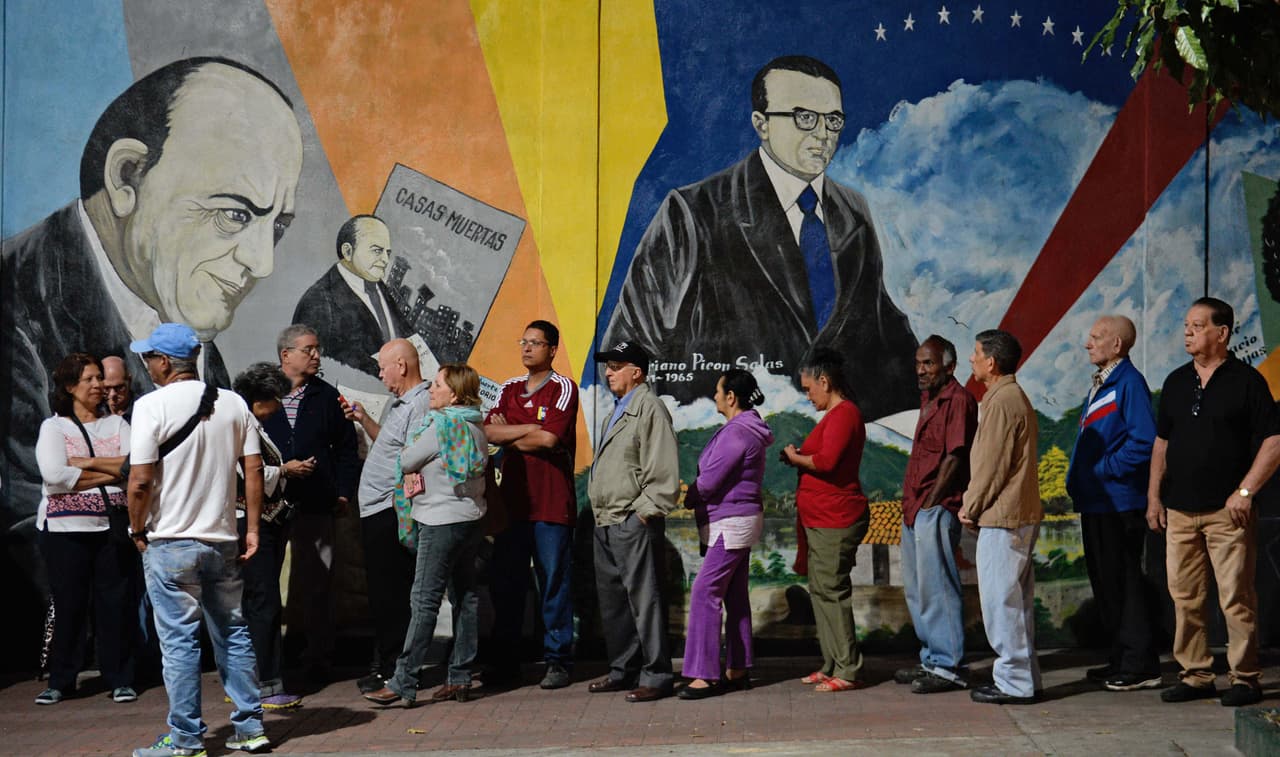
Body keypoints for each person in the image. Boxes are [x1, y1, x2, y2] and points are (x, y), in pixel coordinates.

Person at [2, 56, 303, 534]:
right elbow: (24, 524)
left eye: (278, 224)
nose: (262, 262)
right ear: (126, 178)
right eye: (235, 214)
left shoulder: (177, 316)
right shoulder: (17, 302)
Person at [602, 54, 917, 417]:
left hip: (832, 452)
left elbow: (884, 337)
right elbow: (626, 350)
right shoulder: (694, 211)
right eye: (804, 118)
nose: (822, 134)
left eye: (833, 120)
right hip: (720, 446)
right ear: (761, 124)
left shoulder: (852, 211)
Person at [125, 323, 268, 757]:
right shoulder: (233, 403)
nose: (147, 363)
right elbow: (255, 468)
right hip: (222, 538)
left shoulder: (150, 406)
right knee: (234, 632)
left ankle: (187, 740)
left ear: (165, 362)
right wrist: (254, 527)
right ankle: (250, 728)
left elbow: (140, 481)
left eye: (149, 357)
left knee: (179, 643)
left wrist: (136, 528)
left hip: (169, 541)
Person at [1148, 297, 1280, 708]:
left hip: (1228, 513)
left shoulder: (1247, 381)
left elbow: (1274, 441)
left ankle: (1244, 677)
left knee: (1235, 597)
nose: (1187, 331)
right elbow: (1161, 444)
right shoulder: (1174, 382)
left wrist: (1245, 492)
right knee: (1185, 598)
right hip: (1180, 511)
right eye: (1186, 325)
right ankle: (1195, 675)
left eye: (1197, 325)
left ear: (1222, 333)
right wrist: (1154, 496)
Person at [363, 363, 489, 707]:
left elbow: (405, 460)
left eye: (437, 385)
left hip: (439, 522)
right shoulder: (474, 425)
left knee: (423, 601)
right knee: (465, 597)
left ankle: (404, 681)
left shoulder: (440, 426)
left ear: (454, 393)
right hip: (471, 519)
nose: (431, 390)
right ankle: (460, 676)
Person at [33, 353, 137, 706]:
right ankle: (61, 679)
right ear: (69, 387)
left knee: (115, 604)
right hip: (65, 532)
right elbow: (54, 475)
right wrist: (113, 473)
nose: (99, 387)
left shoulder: (118, 426)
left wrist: (88, 464)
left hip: (111, 527)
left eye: (100, 380)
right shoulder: (54, 427)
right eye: (90, 380)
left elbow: (135, 468)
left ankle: (120, 677)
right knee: (70, 604)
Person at [1065, 315, 1161, 692]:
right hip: (1097, 502)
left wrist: (1103, 470)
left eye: (1096, 338)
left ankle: (1141, 665)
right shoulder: (1104, 384)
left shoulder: (1130, 384)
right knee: (1106, 582)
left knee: (1124, 581)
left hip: (1119, 503)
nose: (1088, 344)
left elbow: (1144, 441)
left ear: (1117, 345)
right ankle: (1122, 658)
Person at [484, 320, 579, 690]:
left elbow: (551, 439)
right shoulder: (508, 388)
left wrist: (513, 433)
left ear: (552, 350)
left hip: (551, 507)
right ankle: (506, 662)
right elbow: (488, 431)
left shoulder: (562, 388)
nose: (526, 348)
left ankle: (558, 660)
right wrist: (528, 432)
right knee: (506, 585)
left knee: (554, 582)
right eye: (523, 341)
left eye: (535, 343)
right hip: (511, 506)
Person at [261, 324, 359, 681]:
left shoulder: (327, 397)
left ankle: (318, 657)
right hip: (269, 507)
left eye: (318, 349)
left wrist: (344, 491)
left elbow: (347, 449)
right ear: (286, 355)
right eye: (309, 349)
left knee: (318, 582)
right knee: (266, 583)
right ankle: (268, 660)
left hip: (317, 503)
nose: (317, 355)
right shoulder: (259, 396)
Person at [586, 341, 680, 702]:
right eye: (607, 366)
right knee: (614, 604)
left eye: (616, 366)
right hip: (607, 520)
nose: (608, 372)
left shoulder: (649, 408)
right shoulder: (619, 409)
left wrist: (641, 514)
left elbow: (663, 471)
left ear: (636, 372)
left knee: (645, 600)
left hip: (630, 520)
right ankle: (622, 670)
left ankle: (656, 676)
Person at [679, 369, 774, 700]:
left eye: (717, 391)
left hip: (730, 523)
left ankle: (704, 674)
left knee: (705, 592)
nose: (714, 396)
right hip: (741, 521)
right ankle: (737, 667)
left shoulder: (737, 433)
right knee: (734, 595)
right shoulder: (749, 428)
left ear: (731, 397)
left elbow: (709, 482)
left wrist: (686, 494)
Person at [960, 329, 1043, 705]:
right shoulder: (1010, 397)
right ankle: (1024, 680)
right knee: (1015, 602)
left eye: (976, 354)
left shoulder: (1001, 401)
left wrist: (970, 506)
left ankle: (1013, 682)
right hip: (1015, 514)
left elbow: (992, 467)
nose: (972, 360)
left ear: (991, 362)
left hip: (1002, 516)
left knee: (1001, 603)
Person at [781, 349, 869, 693]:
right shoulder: (832, 416)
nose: (807, 395)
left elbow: (828, 462)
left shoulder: (845, 414)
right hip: (820, 518)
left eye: (809, 388)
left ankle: (848, 668)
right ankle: (831, 662)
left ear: (824, 381)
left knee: (832, 591)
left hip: (837, 517)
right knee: (820, 591)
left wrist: (795, 457)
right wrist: (798, 459)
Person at [895, 335, 978, 694]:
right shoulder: (929, 399)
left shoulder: (958, 400)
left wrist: (931, 503)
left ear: (949, 366)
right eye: (918, 363)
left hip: (937, 508)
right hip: (916, 508)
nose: (921, 370)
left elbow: (955, 456)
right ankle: (931, 658)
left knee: (939, 587)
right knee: (918, 589)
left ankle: (949, 666)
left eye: (928, 363)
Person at [348, 339, 430, 694]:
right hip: (376, 509)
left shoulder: (422, 402)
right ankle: (385, 663)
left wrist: (406, 511)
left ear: (401, 365)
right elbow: (393, 447)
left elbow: (414, 457)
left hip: (391, 510)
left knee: (392, 593)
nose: (380, 374)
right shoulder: (401, 405)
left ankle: (394, 668)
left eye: (383, 367)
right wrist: (365, 419)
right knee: (382, 593)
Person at [232, 362, 303, 710]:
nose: (279, 406)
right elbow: (246, 473)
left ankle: (261, 679)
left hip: (264, 524)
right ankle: (266, 684)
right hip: (251, 524)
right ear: (262, 400)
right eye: (275, 399)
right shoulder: (243, 428)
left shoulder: (253, 426)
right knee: (263, 604)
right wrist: (285, 471)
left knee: (261, 602)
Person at [293, 215, 412, 377]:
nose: (385, 260)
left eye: (387, 252)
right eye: (377, 250)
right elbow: (305, 369)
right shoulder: (317, 303)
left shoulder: (377, 285)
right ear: (348, 252)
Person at [102, 356, 137, 421]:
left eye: (119, 387)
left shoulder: (145, 410)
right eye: (106, 388)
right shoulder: (97, 416)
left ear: (129, 381)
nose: (112, 394)